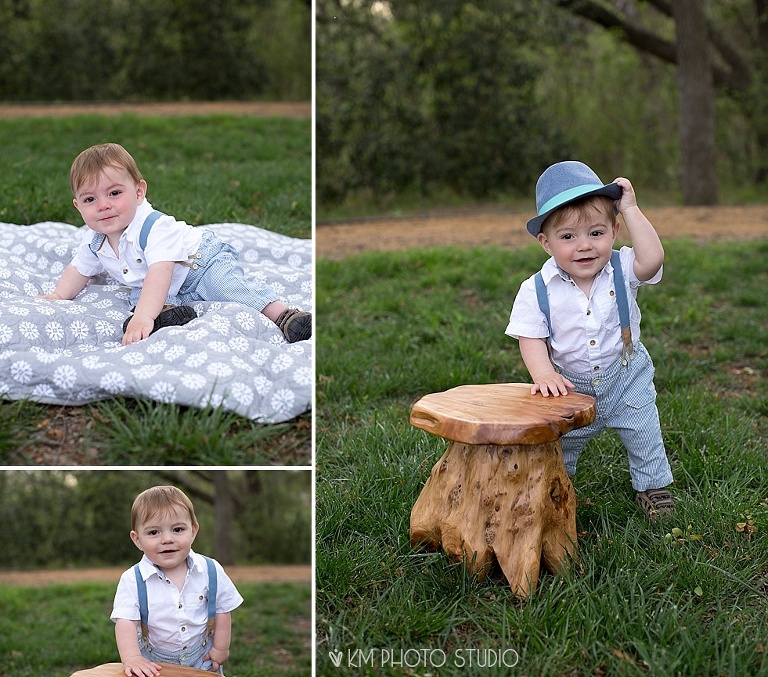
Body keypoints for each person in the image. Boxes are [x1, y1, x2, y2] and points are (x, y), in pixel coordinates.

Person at [505, 161, 674, 517]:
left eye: (596, 233)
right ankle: (556, 488)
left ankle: (653, 487)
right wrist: (544, 375)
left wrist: (629, 208)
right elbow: (530, 337)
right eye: (568, 237)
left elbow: (653, 260)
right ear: (545, 243)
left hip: (626, 377)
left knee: (645, 436)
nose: (584, 246)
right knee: (561, 444)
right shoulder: (536, 289)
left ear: (614, 232)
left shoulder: (623, 267)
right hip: (570, 385)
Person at [39, 143, 311, 345]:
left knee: (224, 287)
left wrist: (144, 316)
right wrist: (59, 295)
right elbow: (79, 270)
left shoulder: (154, 227)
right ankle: (171, 314)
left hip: (200, 263)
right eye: (90, 200)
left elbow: (160, 273)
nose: (104, 205)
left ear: (138, 192)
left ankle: (283, 315)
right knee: (139, 299)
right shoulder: (94, 240)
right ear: (78, 206)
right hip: (161, 283)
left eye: (114, 193)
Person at [111, 486, 243, 676]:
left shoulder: (210, 569)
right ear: (137, 539)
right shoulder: (132, 579)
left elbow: (223, 610)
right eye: (154, 532)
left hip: (202, 658)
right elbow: (125, 622)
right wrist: (132, 658)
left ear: (193, 531)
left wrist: (221, 649)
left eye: (178, 529)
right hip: (154, 662)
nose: (167, 539)